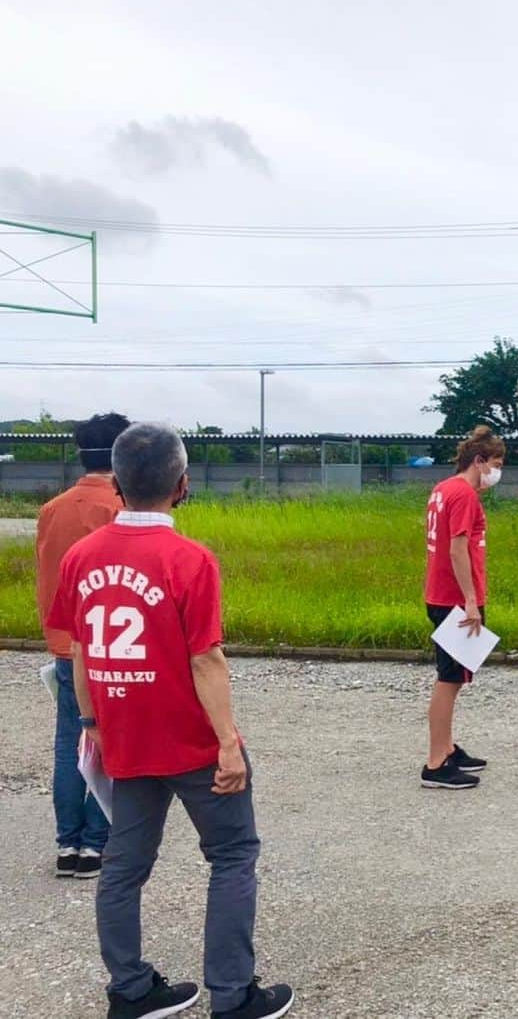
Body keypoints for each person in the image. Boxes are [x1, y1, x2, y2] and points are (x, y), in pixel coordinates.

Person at [46, 422, 293, 1019]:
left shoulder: (82, 556)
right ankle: (232, 996)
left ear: (119, 483)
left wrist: (91, 722)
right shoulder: (190, 559)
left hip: (125, 738)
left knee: (124, 866)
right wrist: (228, 744)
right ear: (182, 485)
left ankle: (129, 988)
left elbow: (78, 649)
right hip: (190, 741)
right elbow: (205, 658)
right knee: (232, 855)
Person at [36, 411, 129, 880]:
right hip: (112, 646)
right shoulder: (120, 508)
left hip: (64, 643)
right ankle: (96, 843)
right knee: (107, 740)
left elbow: (45, 578)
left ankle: (67, 843)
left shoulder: (52, 509)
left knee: (66, 743)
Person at [421, 424, 505, 791]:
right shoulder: (464, 495)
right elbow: (457, 549)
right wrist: (471, 601)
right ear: (479, 460)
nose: (497, 472)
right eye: (496, 463)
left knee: (456, 677)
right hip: (455, 599)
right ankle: (436, 763)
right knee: (449, 680)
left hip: (441, 594)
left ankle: (448, 748)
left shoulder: (443, 489)